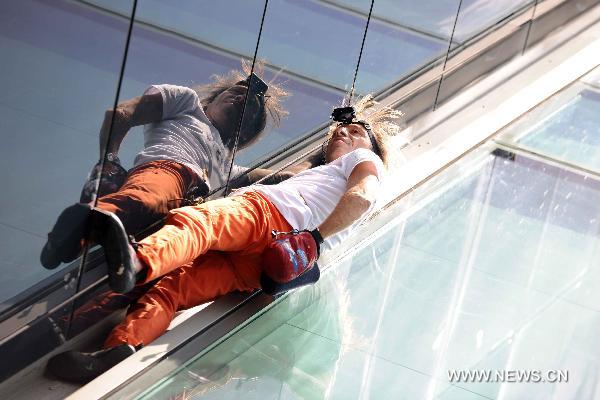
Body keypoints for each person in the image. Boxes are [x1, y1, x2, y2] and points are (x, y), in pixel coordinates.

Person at [46, 95, 402, 383]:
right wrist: (309, 243)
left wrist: (313, 238)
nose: (345, 133)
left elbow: (363, 196)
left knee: (197, 225)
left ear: (369, 146)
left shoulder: (363, 159)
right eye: (342, 130)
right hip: (267, 269)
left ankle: (137, 261)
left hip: (268, 216)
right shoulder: (323, 175)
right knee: (171, 290)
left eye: (356, 131)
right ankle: (119, 349)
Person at [40, 63, 289, 269]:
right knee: (146, 200)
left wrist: (322, 162)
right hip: (170, 170)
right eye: (237, 91)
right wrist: (109, 160)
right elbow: (122, 113)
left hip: (186, 217)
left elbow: (280, 177)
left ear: (245, 132)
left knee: (144, 269)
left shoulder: (227, 167)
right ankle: (75, 230)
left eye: (250, 106)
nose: (241, 98)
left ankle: (73, 243)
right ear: (214, 97)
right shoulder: (187, 103)